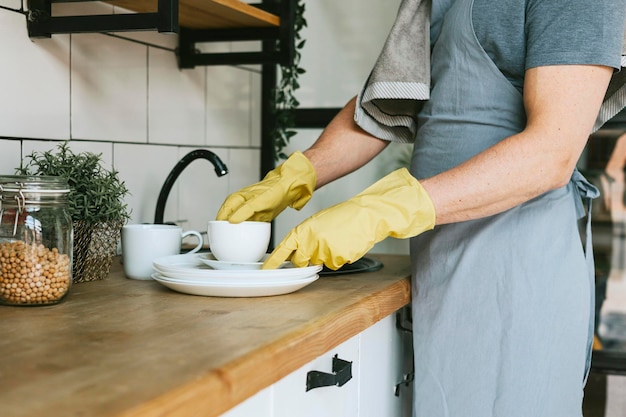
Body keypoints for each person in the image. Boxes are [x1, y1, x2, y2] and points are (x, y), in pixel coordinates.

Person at [217, 0, 626, 415]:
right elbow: (383, 106)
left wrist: (384, 209)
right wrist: (296, 175)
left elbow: (550, 153)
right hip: (442, 261)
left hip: (519, 273)